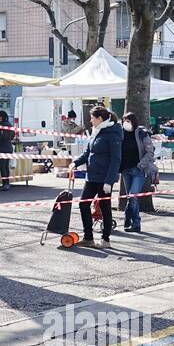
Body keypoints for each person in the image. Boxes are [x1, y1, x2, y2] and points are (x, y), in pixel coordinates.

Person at [72, 106, 122, 248]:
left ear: (99, 118)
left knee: (105, 208)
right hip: (92, 176)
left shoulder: (113, 134)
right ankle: (88, 237)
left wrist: (109, 180)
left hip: (104, 178)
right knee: (83, 204)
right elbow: (88, 153)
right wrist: (75, 163)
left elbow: (115, 159)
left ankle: (106, 239)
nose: (90, 120)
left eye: (92, 118)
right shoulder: (95, 132)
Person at [119, 111, 156, 233]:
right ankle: (127, 219)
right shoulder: (121, 134)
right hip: (125, 170)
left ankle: (136, 223)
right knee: (130, 197)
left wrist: (141, 165)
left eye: (128, 121)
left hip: (138, 170)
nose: (126, 123)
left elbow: (150, 152)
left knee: (132, 196)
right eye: (124, 120)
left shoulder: (142, 134)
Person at [0, 110, 15, 191]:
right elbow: (11, 136)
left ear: (1, 117)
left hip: (3, 149)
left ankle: (5, 184)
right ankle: (6, 183)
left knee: (2, 166)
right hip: (7, 148)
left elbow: (1, 138)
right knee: (5, 166)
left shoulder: (3, 126)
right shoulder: (8, 125)